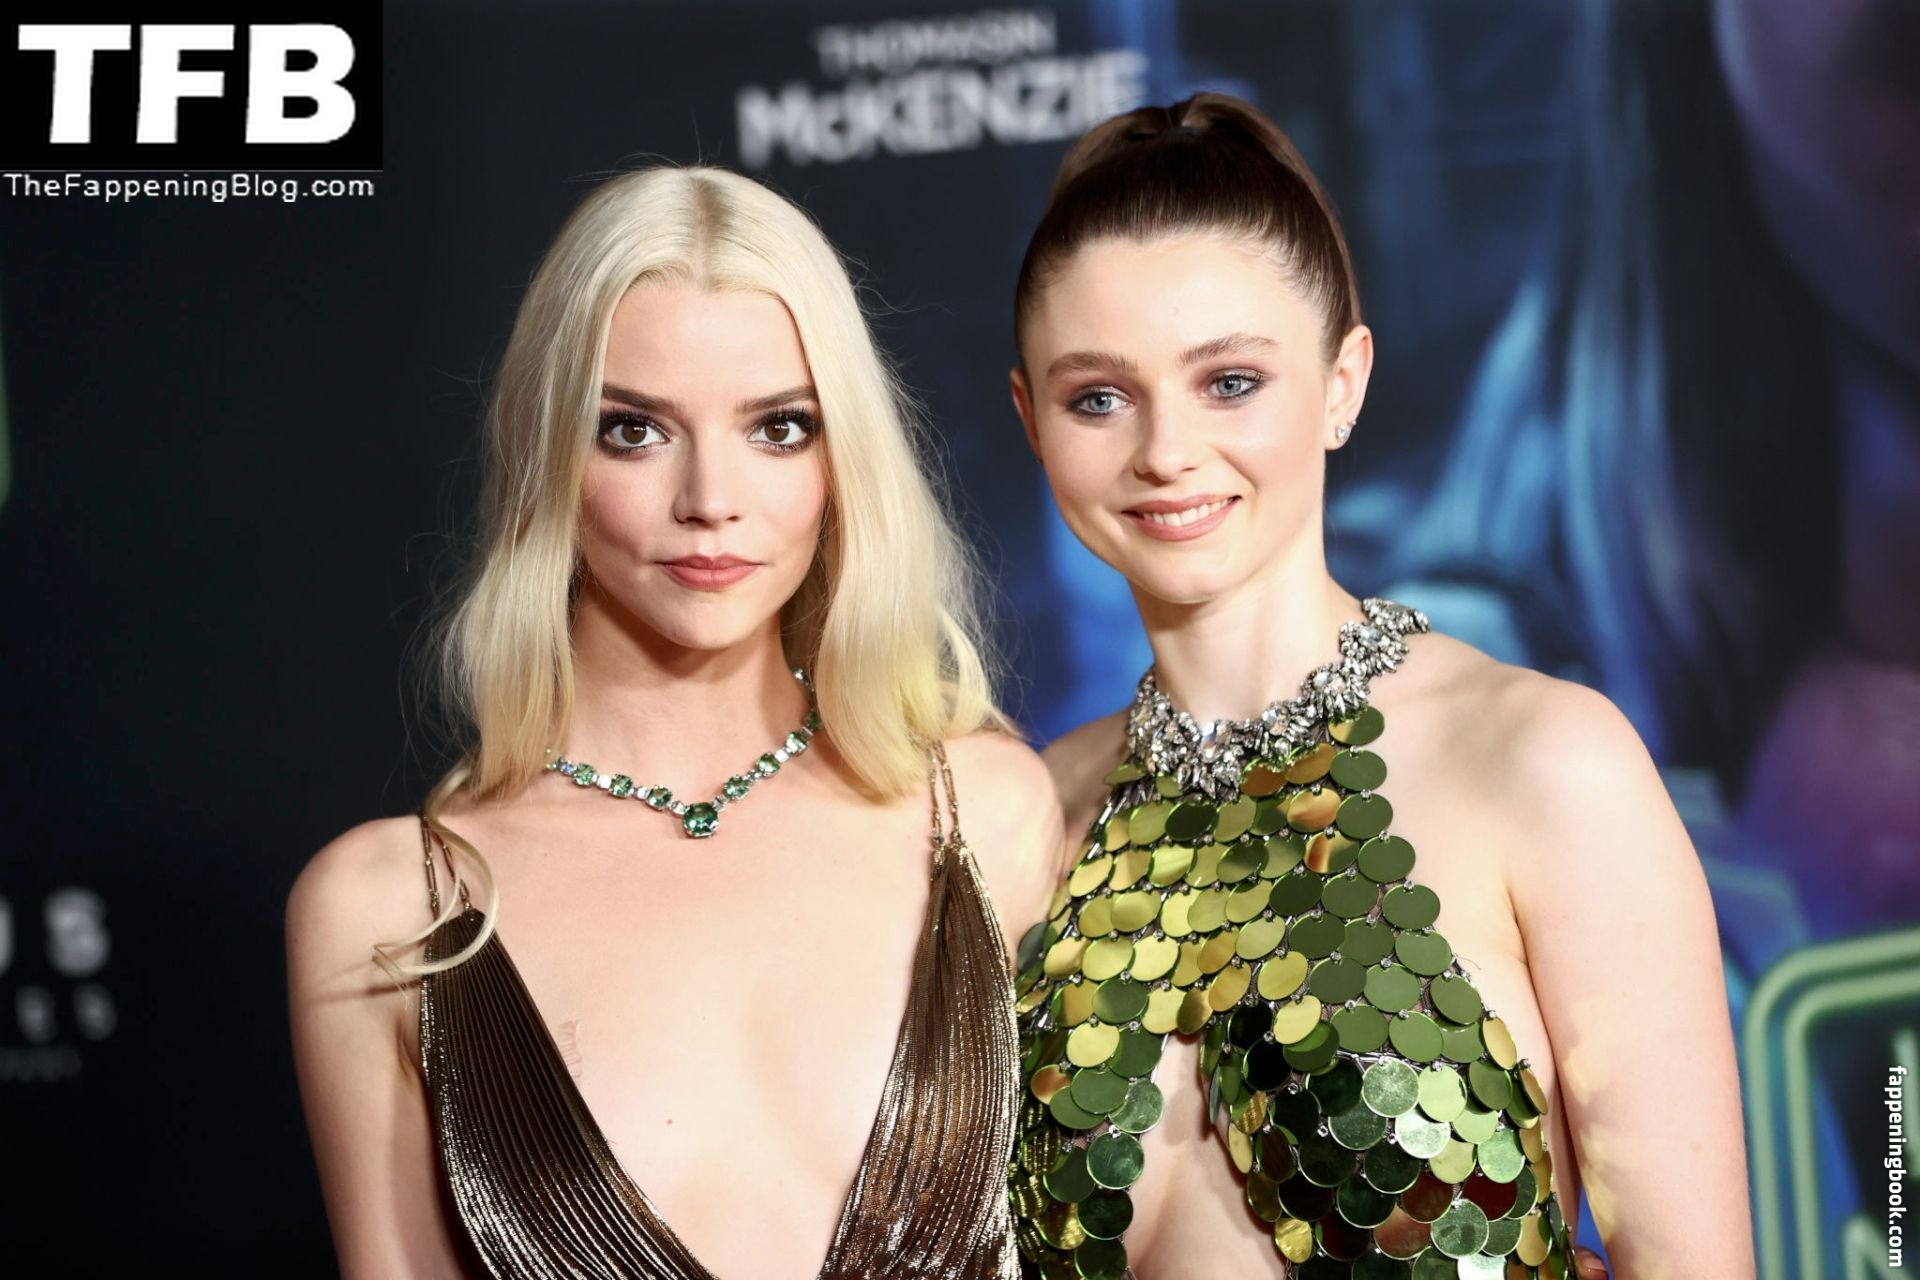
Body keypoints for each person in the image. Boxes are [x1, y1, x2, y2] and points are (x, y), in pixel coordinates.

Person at [1001, 94, 1752, 1278]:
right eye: (1099, 396)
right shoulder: (1028, 816)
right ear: (1031, 419)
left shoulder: (1547, 762)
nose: (1166, 451)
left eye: (1229, 381)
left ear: (1342, 381)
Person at [286, 164, 1063, 1279]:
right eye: (633, 430)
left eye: (779, 428)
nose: (711, 499)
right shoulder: (389, 912)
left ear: (843, 457)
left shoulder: (988, 810)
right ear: (549, 452)